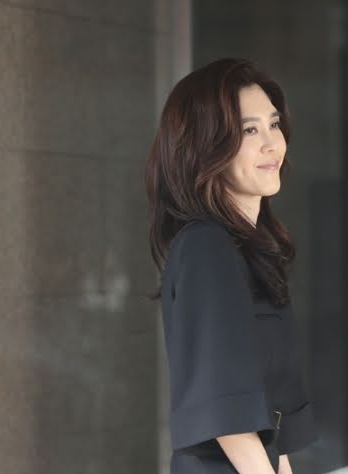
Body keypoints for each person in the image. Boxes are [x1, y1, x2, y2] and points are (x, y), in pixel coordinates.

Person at [145, 58, 318, 473]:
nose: (272, 144)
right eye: (249, 130)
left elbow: (268, 423)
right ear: (206, 147)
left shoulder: (247, 250)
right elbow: (229, 419)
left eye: (273, 124)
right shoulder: (206, 246)